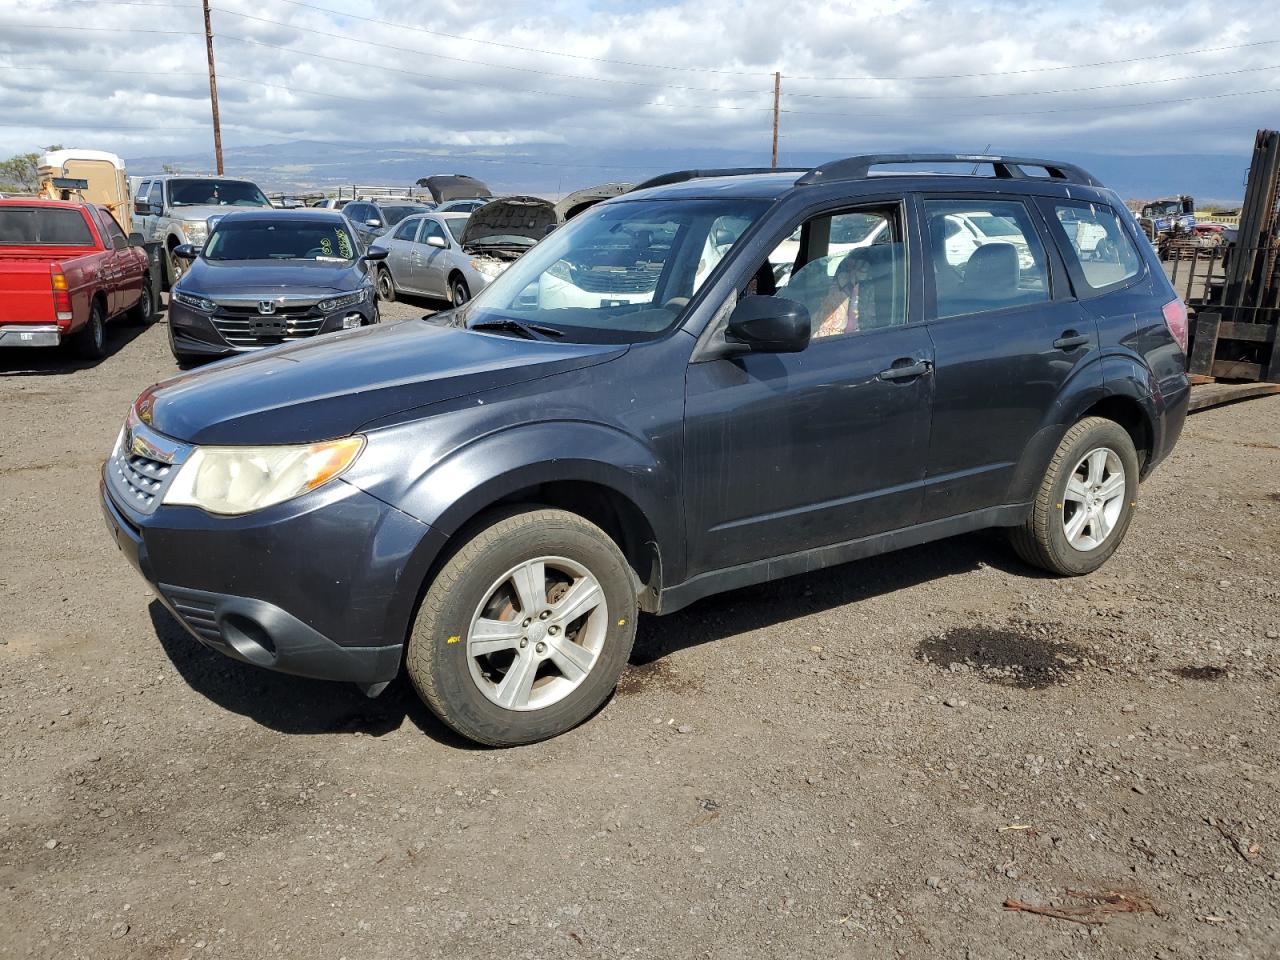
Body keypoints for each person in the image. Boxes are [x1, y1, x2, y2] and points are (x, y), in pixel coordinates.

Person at [814, 251, 871, 338]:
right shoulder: (836, 298)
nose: (853, 274)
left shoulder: (869, 295)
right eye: (848, 271)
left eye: (861, 270)